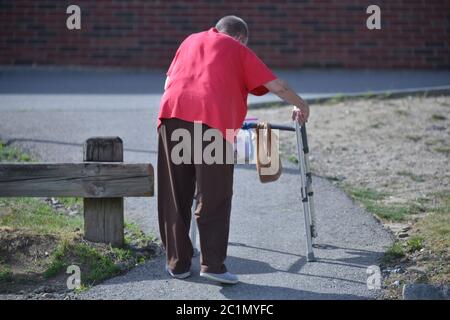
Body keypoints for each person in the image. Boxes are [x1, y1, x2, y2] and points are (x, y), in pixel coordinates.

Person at [157, 15, 310, 284]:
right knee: (214, 194)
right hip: (211, 123)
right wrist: (302, 105)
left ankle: (177, 263)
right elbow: (279, 86)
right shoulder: (237, 48)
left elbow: (168, 82)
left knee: (175, 193)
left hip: (172, 117)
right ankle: (212, 266)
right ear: (240, 37)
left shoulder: (190, 40)